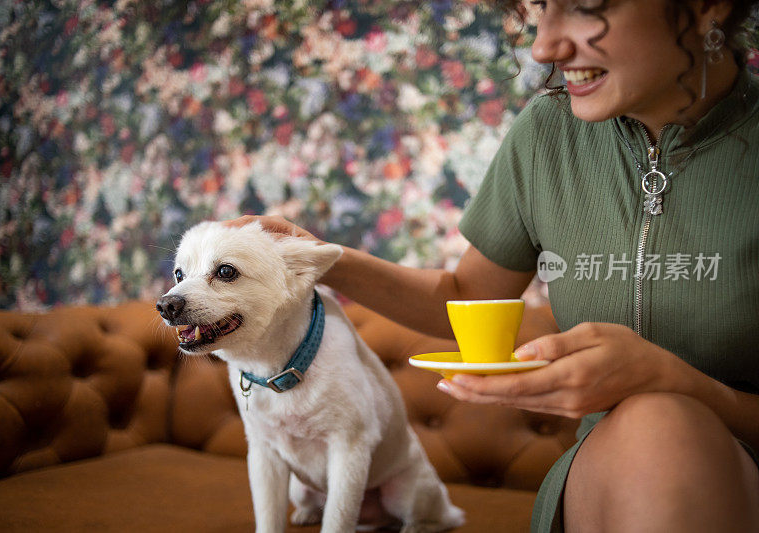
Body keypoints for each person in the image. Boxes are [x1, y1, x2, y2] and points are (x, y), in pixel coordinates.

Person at [229, 0, 759, 530]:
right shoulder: (548, 134)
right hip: (607, 472)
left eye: (583, 7)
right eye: (541, 8)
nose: (544, 46)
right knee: (655, 430)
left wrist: (674, 381)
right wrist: (323, 259)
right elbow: (467, 300)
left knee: (662, 423)